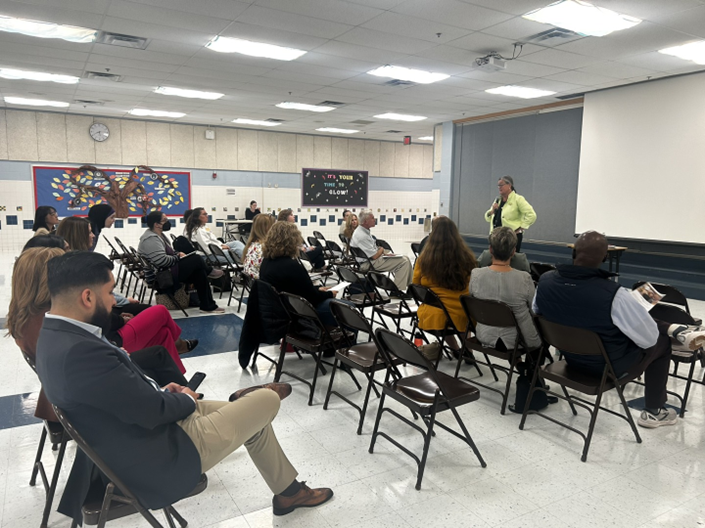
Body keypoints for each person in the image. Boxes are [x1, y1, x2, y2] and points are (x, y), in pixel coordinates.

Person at [35, 251, 333, 524]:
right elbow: (151, 411)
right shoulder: (80, 353)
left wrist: (164, 391)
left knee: (254, 416)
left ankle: (288, 492)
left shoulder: (55, 336)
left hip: (143, 432)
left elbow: (123, 397)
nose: (114, 301)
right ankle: (258, 399)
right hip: (161, 454)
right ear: (87, 297)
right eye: (110, 292)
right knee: (267, 401)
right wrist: (186, 400)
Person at [534, 231, 705, 428]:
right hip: (607, 367)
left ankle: (677, 330)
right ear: (605, 257)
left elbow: (537, 313)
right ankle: (654, 411)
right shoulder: (613, 295)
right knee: (661, 341)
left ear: (574, 253)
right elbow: (648, 341)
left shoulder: (545, 282)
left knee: (617, 320)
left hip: (568, 358)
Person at [6, 248, 189, 426]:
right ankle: (184, 399)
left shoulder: (28, 317)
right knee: (159, 320)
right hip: (86, 394)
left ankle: (184, 397)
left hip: (78, 384)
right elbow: (90, 356)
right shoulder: (50, 321)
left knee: (161, 344)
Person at [470, 227, 541, 354]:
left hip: (484, 335)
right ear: (513, 251)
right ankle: (528, 368)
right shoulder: (524, 278)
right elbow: (534, 310)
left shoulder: (476, 275)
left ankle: (519, 363)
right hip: (520, 340)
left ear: (490, 249)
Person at [138, 211, 224, 314]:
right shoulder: (151, 239)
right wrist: (178, 257)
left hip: (166, 271)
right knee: (196, 259)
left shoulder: (158, 235)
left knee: (199, 272)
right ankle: (210, 271)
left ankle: (207, 306)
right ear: (157, 224)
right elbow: (162, 261)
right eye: (165, 220)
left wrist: (177, 253)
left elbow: (167, 253)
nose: (167, 222)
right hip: (161, 277)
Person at [259, 222, 340, 326]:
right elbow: (312, 298)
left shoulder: (266, 262)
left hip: (277, 309)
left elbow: (297, 289)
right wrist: (330, 293)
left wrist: (318, 289)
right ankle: (343, 340)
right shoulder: (292, 265)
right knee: (346, 308)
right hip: (296, 312)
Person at [413, 217, 476, 336]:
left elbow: (416, 285)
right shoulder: (467, 258)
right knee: (461, 319)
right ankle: (466, 351)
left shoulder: (423, 260)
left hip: (434, 314)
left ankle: (455, 349)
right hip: (463, 312)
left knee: (442, 318)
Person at [351, 210, 412, 291]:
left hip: (369, 260)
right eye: (372, 218)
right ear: (365, 221)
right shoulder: (362, 235)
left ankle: (410, 286)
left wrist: (383, 253)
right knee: (403, 261)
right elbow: (375, 256)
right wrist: (382, 250)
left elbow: (373, 251)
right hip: (368, 264)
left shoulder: (362, 230)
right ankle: (397, 291)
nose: (375, 219)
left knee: (406, 258)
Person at [485, 176, 536, 252]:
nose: (499, 187)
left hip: (511, 237)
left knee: (510, 260)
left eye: (501, 185)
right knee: (495, 259)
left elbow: (532, 215)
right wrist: (491, 211)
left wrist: (520, 229)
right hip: (496, 237)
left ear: (509, 185)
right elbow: (488, 218)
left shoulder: (518, 199)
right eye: (498, 185)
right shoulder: (498, 200)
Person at [243, 214, 276, 279]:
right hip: (264, 284)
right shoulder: (265, 248)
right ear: (267, 229)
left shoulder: (252, 245)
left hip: (255, 284)